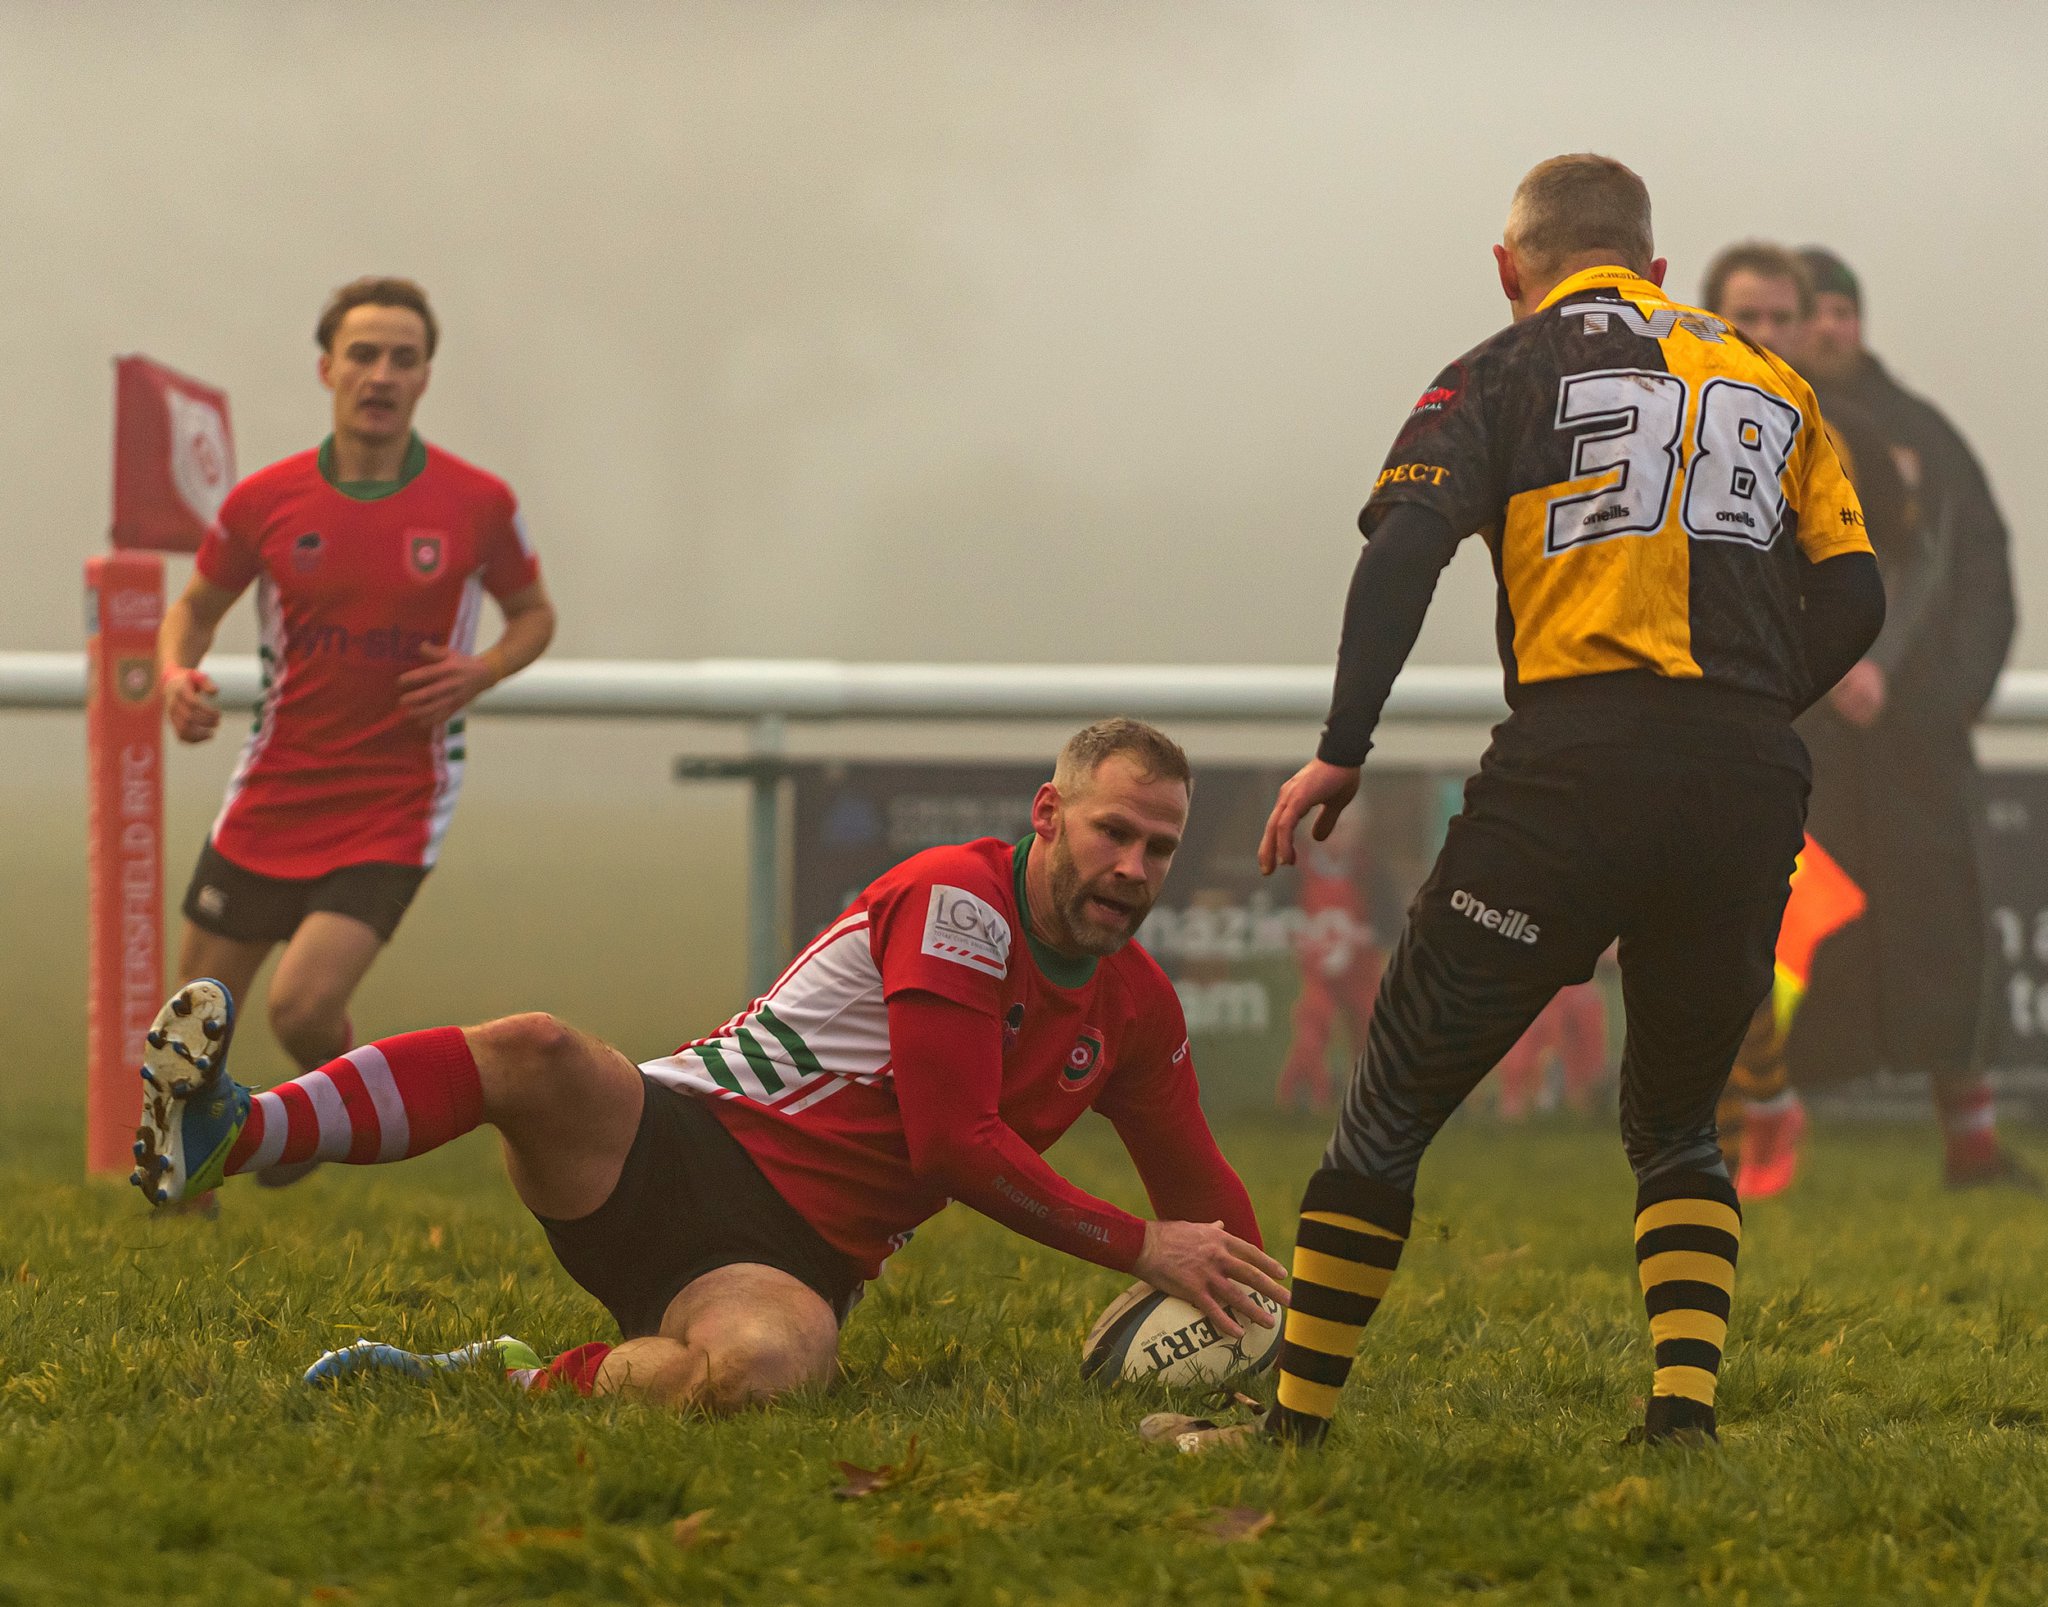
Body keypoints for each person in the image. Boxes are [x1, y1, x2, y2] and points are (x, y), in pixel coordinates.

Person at [1169, 154, 1886, 1452]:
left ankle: (1294, 1427)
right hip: (1744, 780)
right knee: (1674, 1115)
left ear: (1513, 270)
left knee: (1390, 1100)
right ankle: (1681, 1418)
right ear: (1660, 271)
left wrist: (1342, 746)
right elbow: (1856, 597)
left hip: (1574, 768)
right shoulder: (1774, 378)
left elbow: (1403, 548)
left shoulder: (1499, 367)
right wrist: (1742, 713)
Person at [131, 720, 1289, 1413]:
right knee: (535, 1048)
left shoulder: (1133, 1006)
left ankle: (505, 1375)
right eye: (1112, 831)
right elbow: (951, 1141)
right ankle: (233, 1131)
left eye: (1159, 846)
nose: (1135, 865)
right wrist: (1140, 1245)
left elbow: (1204, 1199)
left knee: (759, 1372)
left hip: (793, 1254)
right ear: (1048, 813)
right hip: (673, 1133)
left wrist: (1271, 1331)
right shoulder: (959, 899)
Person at [156, 277, 556, 1188]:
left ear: (424, 377)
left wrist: (481, 669)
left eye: (402, 358)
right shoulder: (265, 501)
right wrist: (178, 678)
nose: (381, 374)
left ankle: (303, 1121)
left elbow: (535, 615)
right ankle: (182, 1205)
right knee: (193, 1025)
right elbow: (192, 613)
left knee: (303, 1009)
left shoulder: (478, 503)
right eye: (364, 355)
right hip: (273, 788)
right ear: (327, 367)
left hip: (396, 800)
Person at [1780, 248, 2034, 1192]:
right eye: (1818, 313)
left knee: (1945, 932)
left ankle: (1970, 1143)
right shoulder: (1757, 425)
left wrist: (1939, 701)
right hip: (1800, 743)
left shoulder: (1929, 436)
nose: (1832, 329)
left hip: (1917, 745)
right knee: (1780, 936)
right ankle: (1760, 1147)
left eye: (1846, 310)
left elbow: (1980, 579)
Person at [1697, 243, 1931, 1196]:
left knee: (1769, 920)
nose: (1766, 334)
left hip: (1801, 722)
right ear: (1711, 319)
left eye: (1781, 318)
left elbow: (1905, 563)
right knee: (1699, 915)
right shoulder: (1682, 424)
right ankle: (1733, 1115)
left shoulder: (1847, 435)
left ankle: (1750, 1111)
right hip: (1701, 705)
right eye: (1745, 317)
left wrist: (1863, 654)